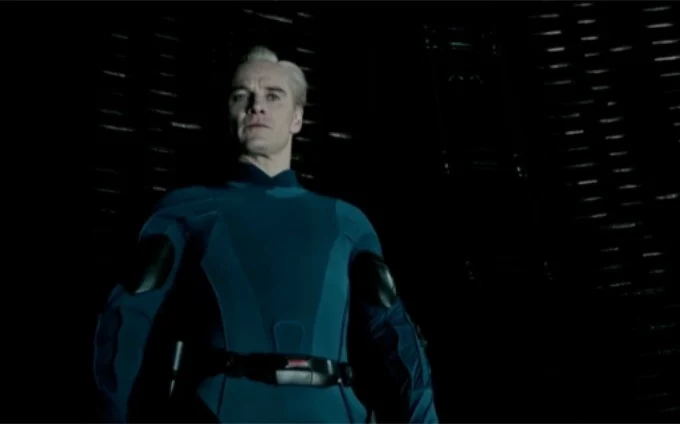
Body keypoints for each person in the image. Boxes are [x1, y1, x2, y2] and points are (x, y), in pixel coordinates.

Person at [93, 45, 438, 423]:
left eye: (273, 96)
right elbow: (124, 323)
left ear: (297, 118)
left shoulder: (348, 222)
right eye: (241, 95)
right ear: (229, 113)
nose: (256, 106)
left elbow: (396, 338)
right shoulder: (185, 210)